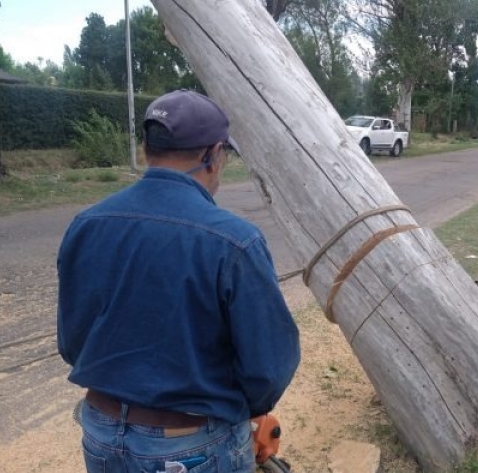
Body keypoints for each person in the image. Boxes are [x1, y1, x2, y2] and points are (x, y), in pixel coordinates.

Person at [57, 90, 300, 473]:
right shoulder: (235, 240)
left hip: (101, 433)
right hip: (191, 444)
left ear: (146, 147)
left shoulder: (87, 224)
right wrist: (242, 410)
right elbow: (268, 367)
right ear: (214, 154)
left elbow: (73, 343)